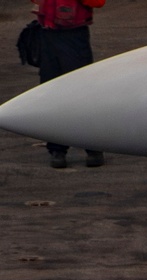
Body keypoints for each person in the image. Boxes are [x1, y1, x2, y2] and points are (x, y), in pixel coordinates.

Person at [33, 0, 106, 169]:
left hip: (74, 36)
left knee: (82, 94)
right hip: (48, 35)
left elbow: (98, 2)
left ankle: (93, 148)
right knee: (51, 94)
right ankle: (57, 149)